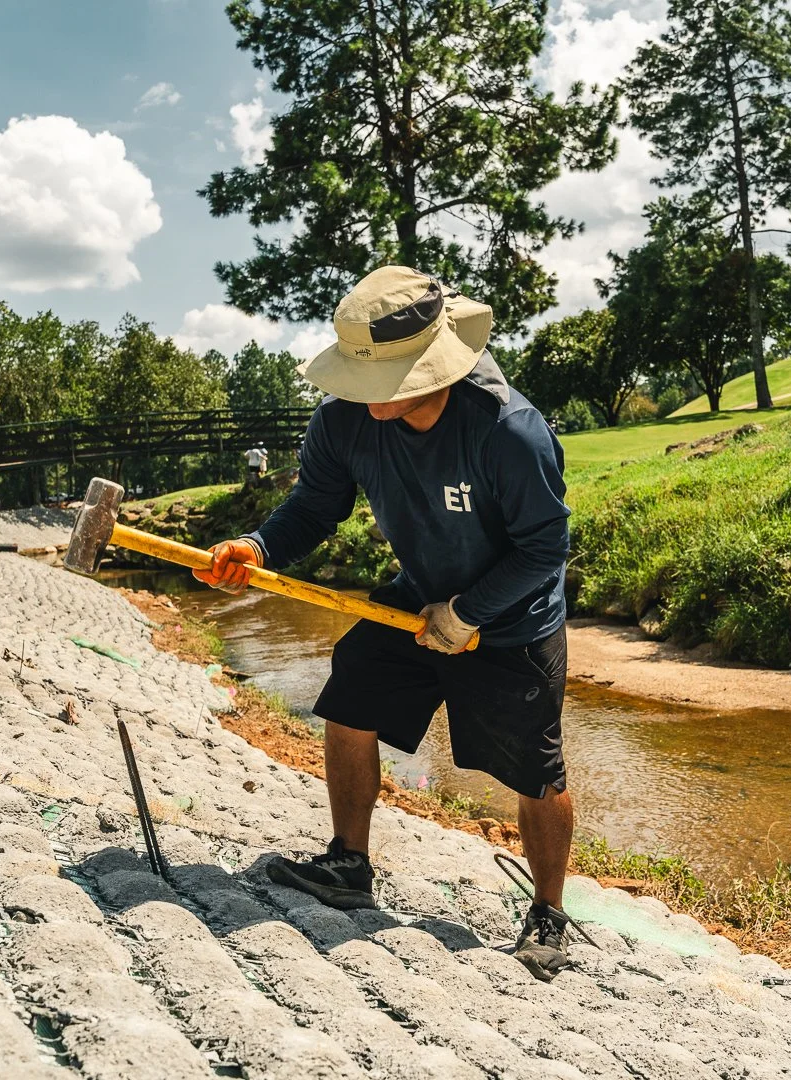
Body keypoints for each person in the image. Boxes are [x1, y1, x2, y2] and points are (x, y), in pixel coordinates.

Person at [195, 266, 575, 981]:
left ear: (432, 368)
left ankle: (549, 913)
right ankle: (348, 862)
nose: (367, 402)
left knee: (535, 771)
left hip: (511, 621)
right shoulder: (343, 417)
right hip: (416, 595)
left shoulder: (508, 431)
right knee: (351, 699)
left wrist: (466, 614)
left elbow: (545, 548)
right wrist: (258, 547)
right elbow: (314, 505)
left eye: (387, 383)